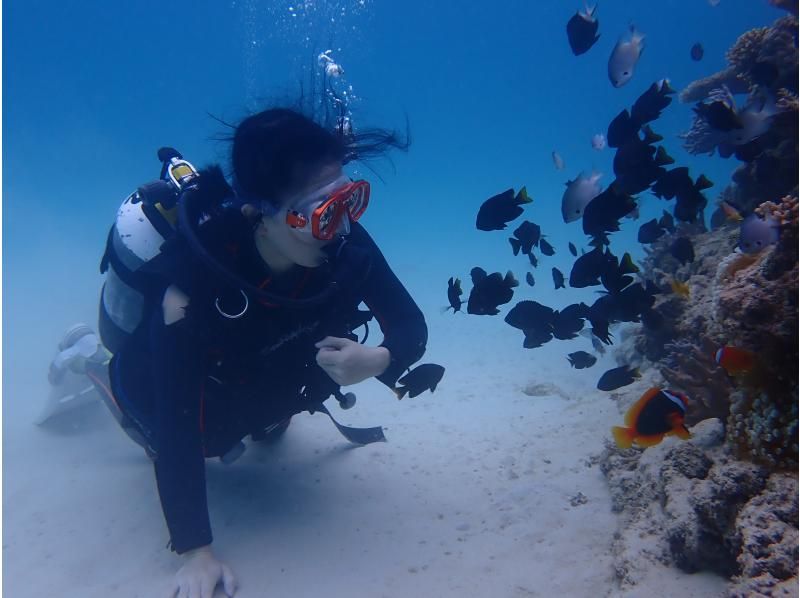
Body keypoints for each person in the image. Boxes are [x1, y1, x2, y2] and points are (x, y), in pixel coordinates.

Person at [98, 107, 428, 598]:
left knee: (267, 429)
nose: (339, 229)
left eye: (349, 201)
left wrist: (378, 359)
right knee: (156, 424)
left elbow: (409, 324)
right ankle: (90, 360)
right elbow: (178, 429)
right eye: (322, 213)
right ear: (258, 211)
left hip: (267, 383)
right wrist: (197, 553)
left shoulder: (342, 242)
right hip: (174, 399)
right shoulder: (188, 293)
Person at [37, 323, 110, 425]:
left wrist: (55, 378)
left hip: (98, 368)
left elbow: (59, 362)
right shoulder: (100, 341)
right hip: (107, 365)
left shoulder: (72, 352)